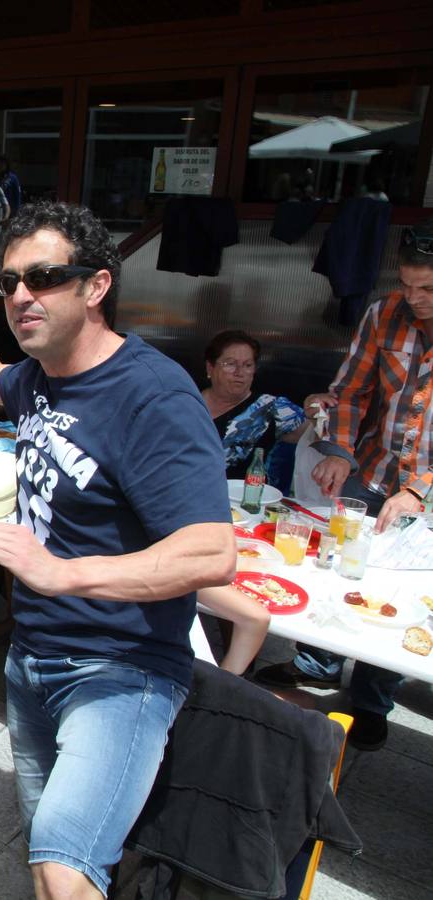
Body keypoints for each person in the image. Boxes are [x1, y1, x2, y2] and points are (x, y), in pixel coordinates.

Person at [0, 200, 235, 900]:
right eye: (8, 282)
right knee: (51, 853)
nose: (19, 297)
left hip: (121, 670)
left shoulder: (152, 395)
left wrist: (61, 572)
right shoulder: (40, 377)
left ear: (96, 286)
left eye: (42, 277)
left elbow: (211, 553)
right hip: (32, 660)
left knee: (65, 871)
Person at [255, 220, 433, 752]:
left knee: (394, 594)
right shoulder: (385, 314)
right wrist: (340, 451)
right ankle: (317, 667)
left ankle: (373, 700)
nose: (412, 297)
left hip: (425, 492)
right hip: (375, 471)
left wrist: (419, 490)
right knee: (339, 565)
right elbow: (351, 391)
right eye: (406, 283)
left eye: (426, 288)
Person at [200, 329, 306, 483]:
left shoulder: (271, 408)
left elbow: (320, 433)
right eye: (230, 364)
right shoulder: (186, 401)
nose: (239, 372)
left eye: (248, 365)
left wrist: (318, 407)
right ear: (210, 367)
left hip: (241, 502)